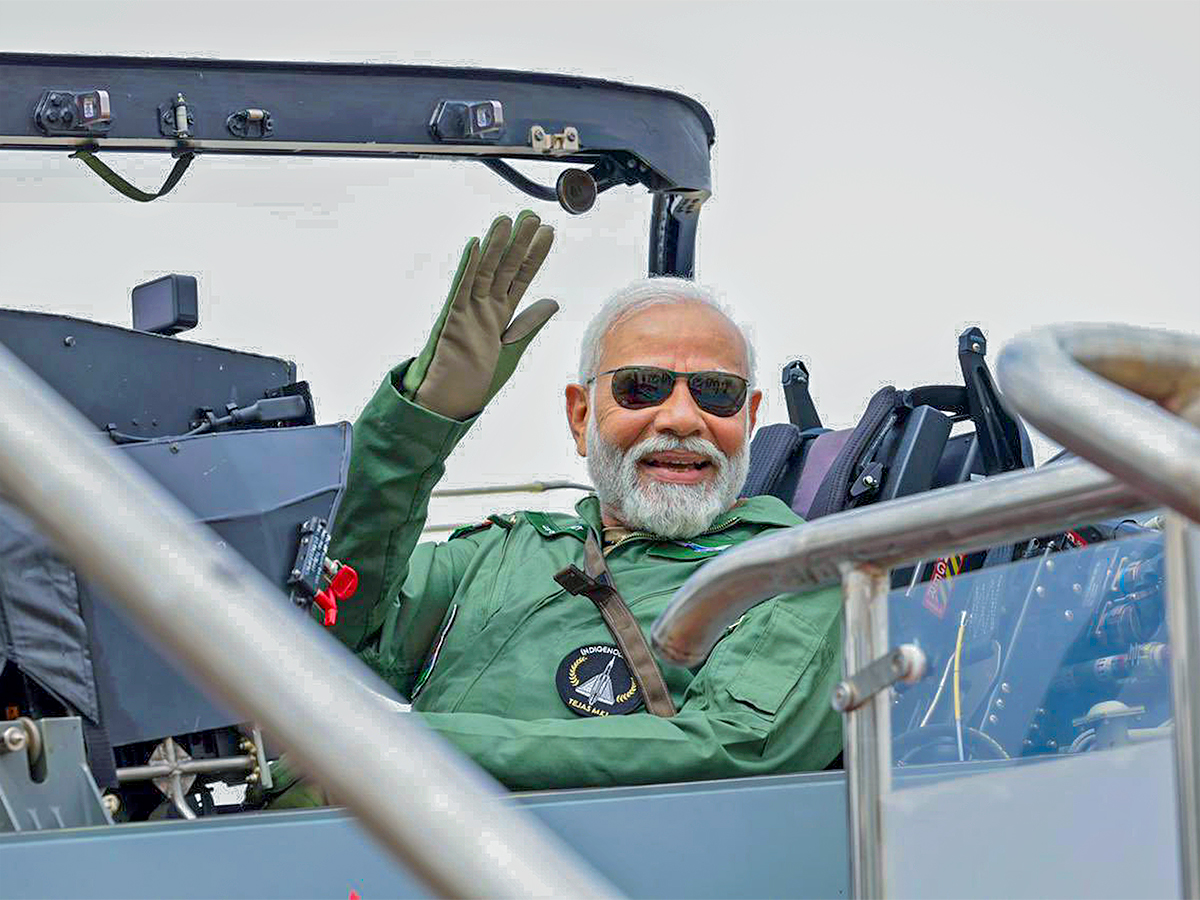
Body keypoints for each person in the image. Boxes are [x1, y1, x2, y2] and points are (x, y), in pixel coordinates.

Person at [265, 211, 842, 803]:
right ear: (581, 415)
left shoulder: (788, 571)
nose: (681, 419)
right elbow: (325, 631)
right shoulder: (501, 554)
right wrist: (419, 423)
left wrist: (390, 742)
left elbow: (739, 747)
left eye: (716, 393)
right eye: (641, 387)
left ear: (748, 419)